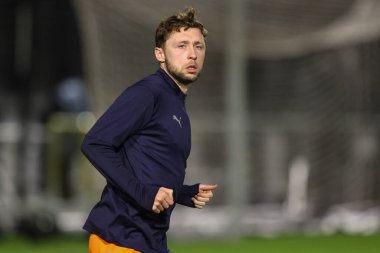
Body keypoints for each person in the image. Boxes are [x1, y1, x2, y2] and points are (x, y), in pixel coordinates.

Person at [81, 7, 217, 253]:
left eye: (198, 46)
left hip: (148, 240)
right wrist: (144, 194)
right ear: (160, 54)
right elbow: (95, 143)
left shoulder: (174, 102)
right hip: (120, 237)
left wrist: (183, 193)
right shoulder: (148, 93)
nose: (192, 54)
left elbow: (149, 170)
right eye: (181, 45)